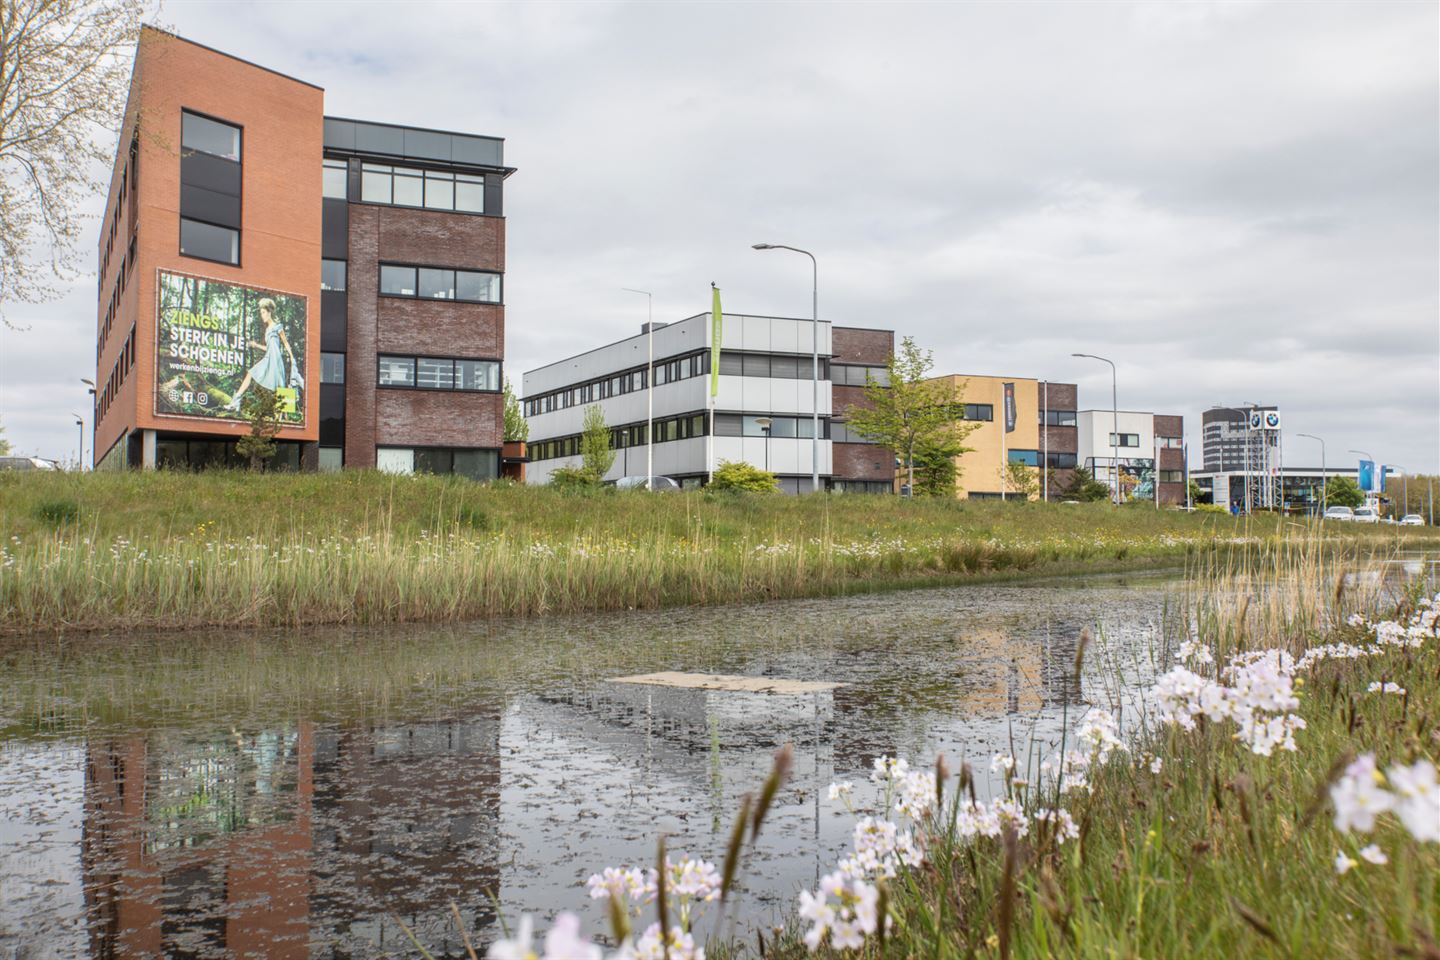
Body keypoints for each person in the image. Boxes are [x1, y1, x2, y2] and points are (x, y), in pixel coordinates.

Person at [225, 298, 296, 411]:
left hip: (276, 360)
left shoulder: (277, 327)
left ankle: (287, 417)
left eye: (263, 312)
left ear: (269, 312)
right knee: (250, 374)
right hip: (268, 358)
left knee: (280, 386)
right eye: (261, 313)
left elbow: (286, 343)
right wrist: (256, 345)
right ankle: (236, 401)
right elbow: (268, 348)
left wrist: (292, 357)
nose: (262, 315)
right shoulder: (267, 330)